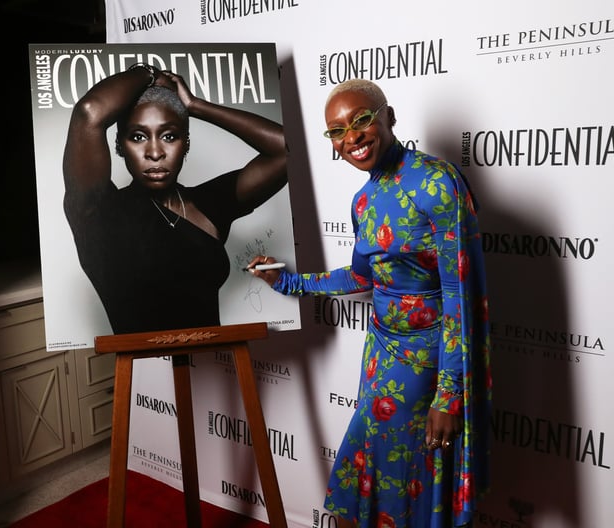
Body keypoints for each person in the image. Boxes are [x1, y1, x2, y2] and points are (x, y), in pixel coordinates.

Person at [248, 79, 491, 528]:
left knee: (394, 477)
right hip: (379, 351)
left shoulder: (438, 184)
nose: (352, 138)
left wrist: (449, 395)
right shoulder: (363, 200)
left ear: (388, 117)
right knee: (375, 481)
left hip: (424, 361)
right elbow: (362, 276)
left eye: (361, 120)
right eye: (337, 131)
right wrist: (288, 282)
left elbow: (460, 295)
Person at [63, 62, 288, 334]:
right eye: (138, 137)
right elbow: (89, 112)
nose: (155, 152)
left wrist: (195, 106)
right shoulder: (98, 211)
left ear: (186, 143)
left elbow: (284, 151)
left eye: (169, 136)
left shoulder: (207, 204)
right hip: (146, 368)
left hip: (214, 360)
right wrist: (149, 73)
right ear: (120, 145)